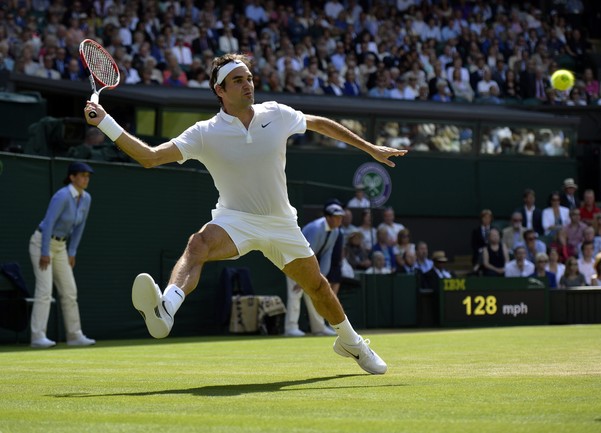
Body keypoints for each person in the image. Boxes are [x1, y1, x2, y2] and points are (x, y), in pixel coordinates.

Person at [85, 53, 406, 374]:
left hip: (280, 222)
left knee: (319, 288)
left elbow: (318, 123)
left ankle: (350, 342)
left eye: (249, 78)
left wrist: (370, 148)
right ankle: (165, 309)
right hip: (234, 219)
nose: (248, 84)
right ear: (219, 90)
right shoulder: (204, 132)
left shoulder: (276, 114)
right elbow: (150, 157)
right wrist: (105, 123)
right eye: (238, 80)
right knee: (198, 244)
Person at [29, 162, 96, 348]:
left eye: (87, 176)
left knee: (69, 291)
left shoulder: (87, 198)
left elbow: (79, 228)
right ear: (72, 177)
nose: (85, 179)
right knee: (44, 292)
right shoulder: (62, 196)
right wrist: (44, 252)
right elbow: (49, 222)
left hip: (61, 248)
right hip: (41, 243)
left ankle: (74, 336)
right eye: (82, 175)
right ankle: (37, 337)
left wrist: (72, 252)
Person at [284, 202, 345, 337]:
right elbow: (304, 253)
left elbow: (327, 255)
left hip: (308, 264)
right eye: (337, 217)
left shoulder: (335, 231)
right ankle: (291, 328)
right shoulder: (316, 228)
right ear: (328, 217)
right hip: (293, 261)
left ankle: (319, 327)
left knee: (314, 293)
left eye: (341, 217)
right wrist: (301, 279)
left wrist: (320, 275)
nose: (339, 220)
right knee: (295, 293)